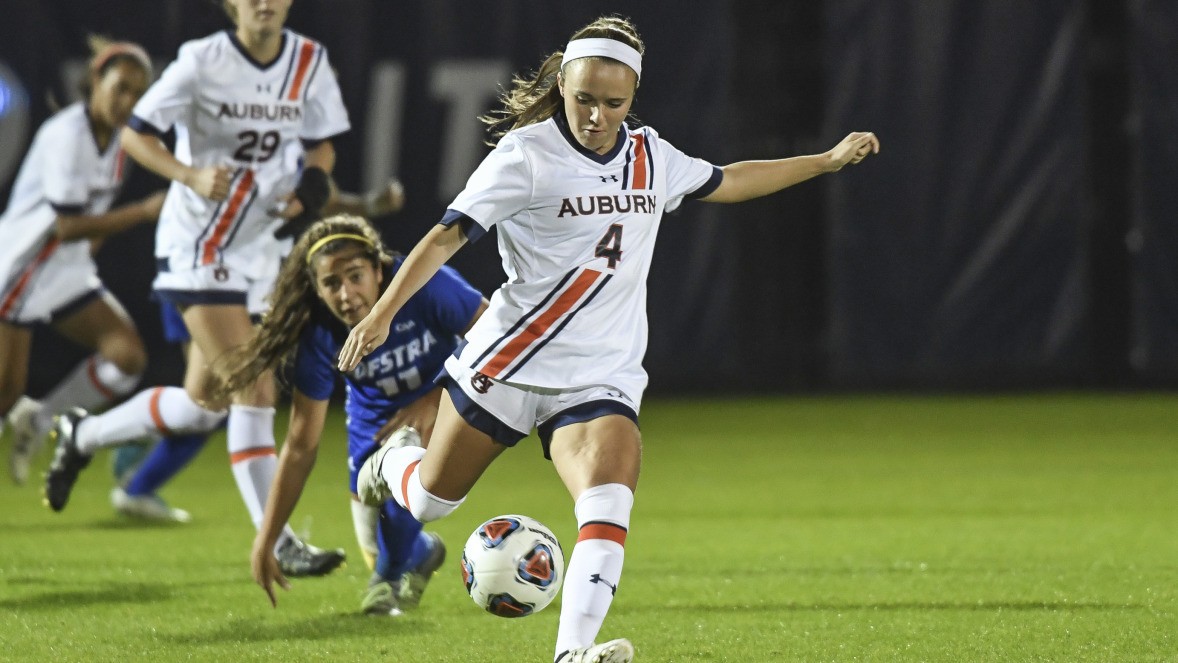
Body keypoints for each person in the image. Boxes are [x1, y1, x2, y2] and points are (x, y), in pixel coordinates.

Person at [332, 15, 880, 663]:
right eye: (584, 98)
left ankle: (572, 652)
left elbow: (729, 180)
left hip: (598, 375)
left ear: (633, 98)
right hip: (508, 362)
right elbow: (448, 235)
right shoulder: (525, 155)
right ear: (562, 82)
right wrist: (384, 312)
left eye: (613, 103)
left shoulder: (651, 156)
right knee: (427, 498)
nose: (596, 115)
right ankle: (385, 463)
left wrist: (823, 159)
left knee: (609, 495)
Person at [42, 0, 353, 578]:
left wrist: (310, 185)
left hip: (260, 249)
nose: (264, 3)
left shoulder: (309, 60)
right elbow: (137, 135)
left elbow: (323, 143)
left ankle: (82, 433)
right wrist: (188, 175)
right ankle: (278, 539)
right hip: (199, 245)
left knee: (203, 404)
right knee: (255, 391)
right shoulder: (200, 61)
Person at [209, 214, 487, 614]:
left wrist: (435, 398)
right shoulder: (320, 332)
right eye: (331, 283)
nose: (346, 294)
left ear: (379, 269)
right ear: (316, 289)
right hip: (373, 423)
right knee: (381, 546)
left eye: (355, 276)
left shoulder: (425, 285)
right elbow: (301, 445)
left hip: (443, 398)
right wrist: (268, 538)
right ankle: (421, 554)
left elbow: (496, 331)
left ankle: (385, 585)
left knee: (404, 501)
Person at [107, 177, 407, 523]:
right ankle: (134, 472)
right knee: (228, 398)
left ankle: (113, 445)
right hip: (204, 275)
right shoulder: (245, 142)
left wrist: (368, 204)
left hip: (245, 283)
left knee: (208, 404)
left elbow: (318, 191)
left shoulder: (288, 146)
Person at [0, 38, 162, 486]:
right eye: (120, 88)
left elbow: (90, 221)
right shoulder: (65, 134)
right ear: (94, 82)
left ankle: (39, 420)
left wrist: (84, 268)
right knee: (5, 390)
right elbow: (66, 225)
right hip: (22, 267)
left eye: (137, 93)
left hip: (65, 270)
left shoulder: (121, 142)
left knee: (126, 357)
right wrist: (144, 213)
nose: (127, 100)